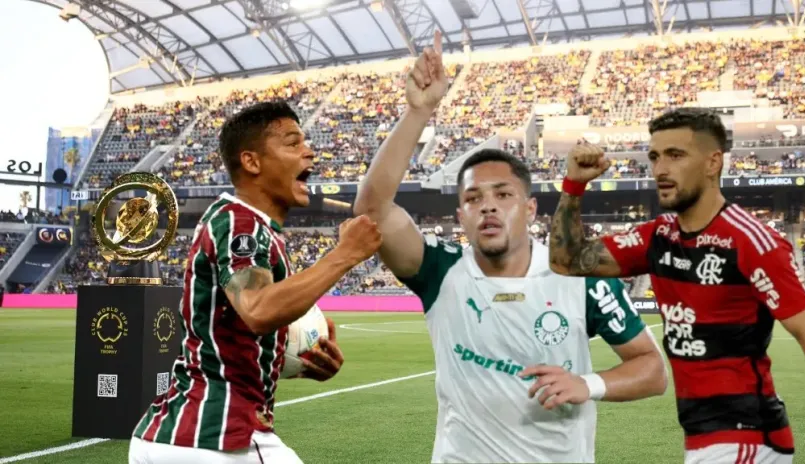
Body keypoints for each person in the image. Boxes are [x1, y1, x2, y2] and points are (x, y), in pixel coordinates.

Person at [353, 30, 667, 463]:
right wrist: (418, 111)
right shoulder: (439, 271)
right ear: (460, 215)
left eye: (503, 195)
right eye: (473, 199)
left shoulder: (580, 277)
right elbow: (371, 210)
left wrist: (588, 384)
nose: (488, 207)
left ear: (531, 209)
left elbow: (652, 370)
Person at [548, 107, 805, 464]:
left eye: (675, 155)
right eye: (654, 157)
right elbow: (566, 261)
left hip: (747, 436)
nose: (660, 169)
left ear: (713, 163)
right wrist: (574, 186)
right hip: (705, 437)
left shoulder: (752, 242)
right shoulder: (657, 237)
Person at [128, 101, 382, 463]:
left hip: (177, 437)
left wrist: (300, 363)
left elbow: (234, 336)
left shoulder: (249, 226)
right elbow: (258, 310)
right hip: (218, 439)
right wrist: (345, 254)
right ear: (251, 162)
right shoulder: (239, 223)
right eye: (293, 143)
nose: (309, 151)